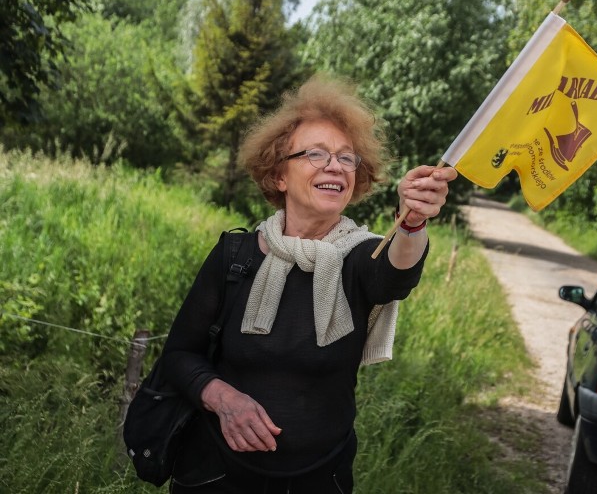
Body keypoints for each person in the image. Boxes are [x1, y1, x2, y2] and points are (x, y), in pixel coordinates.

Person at [160, 75, 458, 493]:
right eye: (315, 153)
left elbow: (394, 275)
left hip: (320, 480)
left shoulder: (359, 256)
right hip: (213, 475)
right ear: (279, 175)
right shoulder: (235, 255)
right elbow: (179, 354)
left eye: (346, 157)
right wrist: (223, 400)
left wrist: (412, 221)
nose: (335, 165)